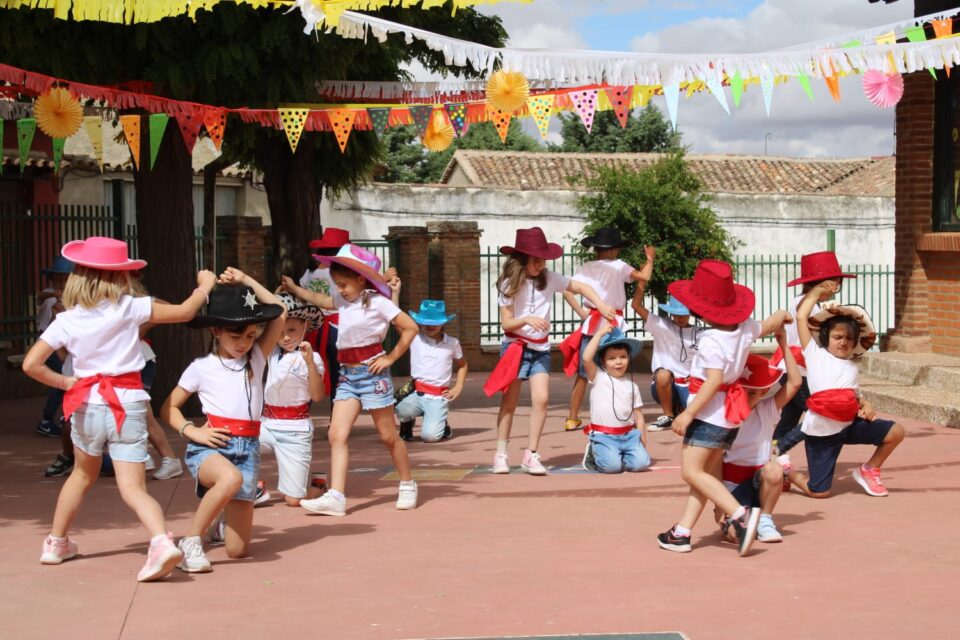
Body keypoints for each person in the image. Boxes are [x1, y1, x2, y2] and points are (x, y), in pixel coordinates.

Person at [22, 236, 216, 581]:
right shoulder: (132, 307)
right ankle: (159, 541)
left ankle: (56, 543)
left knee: (82, 475)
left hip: (87, 407)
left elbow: (31, 365)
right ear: (122, 277)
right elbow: (186, 312)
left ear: (79, 276)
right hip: (127, 405)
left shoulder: (67, 320)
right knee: (133, 488)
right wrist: (205, 286)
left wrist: (65, 383)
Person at [655, 259, 790, 556]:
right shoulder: (743, 330)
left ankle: (740, 515)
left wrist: (688, 413)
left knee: (691, 472)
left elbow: (714, 380)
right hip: (729, 419)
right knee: (704, 476)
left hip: (708, 415)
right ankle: (682, 532)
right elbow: (768, 324)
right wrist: (782, 315)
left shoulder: (711, 340)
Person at [161, 269, 286, 572]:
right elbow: (168, 409)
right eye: (236, 334)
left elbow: (281, 312)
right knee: (230, 479)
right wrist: (192, 432)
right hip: (212, 447)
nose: (245, 342)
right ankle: (190, 542)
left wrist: (246, 280)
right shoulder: (201, 366)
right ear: (215, 330)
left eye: (251, 334)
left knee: (237, 550)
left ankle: (218, 520)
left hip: (249, 450)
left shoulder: (256, 357)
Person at [281, 244, 419, 517]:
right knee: (336, 434)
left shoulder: (379, 302)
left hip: (373, 374)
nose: (340, 290)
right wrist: (294, 288)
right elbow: (319, 300)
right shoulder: (344, 301)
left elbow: (410, 328)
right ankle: (337, 497)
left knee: (388, 436)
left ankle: (407, 483)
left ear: (360, 278)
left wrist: (390, 358)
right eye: (337, 284)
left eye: (343, 284)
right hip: (347, 375)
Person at [483, 227, 615, 475]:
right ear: (521, 258)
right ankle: (501, 453)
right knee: (509, 402)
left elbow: (582, 288)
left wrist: (600, 304)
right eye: (536, 259)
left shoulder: (550, 278)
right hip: (515, 347)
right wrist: (527, 320)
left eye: (543, 259)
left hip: (540, 349)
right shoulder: (509, 284)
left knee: (541, 400)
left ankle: (531, 455)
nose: (540, 264)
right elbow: (506, 323)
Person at [787, 282, 905, 499]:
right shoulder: (815, 354)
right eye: (837, 337)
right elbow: (802, 317)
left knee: (896, 431)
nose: (843, 342)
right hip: (822, 433)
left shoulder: (851, 366)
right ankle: (788, 474)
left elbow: (854, 397)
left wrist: (866, 405)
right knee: (819, 491)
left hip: (849, 425)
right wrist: (816, 292)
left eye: (849, 339)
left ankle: (869, 470)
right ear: (825, 337)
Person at [559, 227, 649, 432]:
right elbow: (643, 276)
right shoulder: (620, 266)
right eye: (616, 248)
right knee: (617, 369)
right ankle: (620, 415)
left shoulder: (586, 267)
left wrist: (583, 314)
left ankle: (572, 417)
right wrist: (649, 260)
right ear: (611, 250)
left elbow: (567, 290)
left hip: (592, 322)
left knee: (584, 372)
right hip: (613, 323)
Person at [771, 251, 855, 454]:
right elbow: (806, 321)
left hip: (796, 368)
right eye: (834, 281)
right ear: (822, 283)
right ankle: (775, 451)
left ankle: (768, 456)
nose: (836, 286)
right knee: (821, 415)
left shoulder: (808, 302)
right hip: (803, 370)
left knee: (788, 420)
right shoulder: (806, 303)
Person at [719, 341, 801, 545]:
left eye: (754, 392)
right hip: (731, 485)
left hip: (760, 479)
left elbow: (795, 383)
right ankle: (742, 519)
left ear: (763, 393)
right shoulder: (722, 413)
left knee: (774, 468)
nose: (748, 397)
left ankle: (765, 519)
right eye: (743, 391)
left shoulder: (767, 409)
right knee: (735, 537)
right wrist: (718, 504)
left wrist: (783, 344)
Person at [258, 291, 326, 508]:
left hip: (295, 429)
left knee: (294, 500)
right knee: (235, 443)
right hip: (266, 424)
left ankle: (318, 483)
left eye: (292, 330)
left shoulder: (312, 357)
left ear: (305, 327)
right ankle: (251, 486)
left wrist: (309, 364)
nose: (286, 337)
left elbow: (317, 395)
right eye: (280, 331)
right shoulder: (271, 351)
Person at [629, 247, 698, 432]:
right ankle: (667, 415)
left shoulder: (701, 333)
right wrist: (643, 278)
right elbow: (635, 305)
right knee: (662, 374)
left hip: (691, 385)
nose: (680, 317)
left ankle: (681, 410)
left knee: (692, 418)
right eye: (676, 314)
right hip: (664, 384)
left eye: (683, 314)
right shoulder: (662, 325)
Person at [580, 323, 649, 474]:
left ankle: (620, 454)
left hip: (629, 436)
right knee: (612, 468)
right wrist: (598, 334)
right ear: (603, 362)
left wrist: (643, 445)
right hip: (605, 436)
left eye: (623, 357)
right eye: (612, 358)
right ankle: (594, 451)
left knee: (641, 464)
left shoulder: (633, 386)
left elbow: (639, 418)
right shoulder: (598, 376)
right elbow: (586, 358)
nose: (618, 362)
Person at [396, 300, 468, 443]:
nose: (430, 326)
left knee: (429, 437)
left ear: (443, 323)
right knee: (399, 407)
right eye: (426, 321)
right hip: (416, 391)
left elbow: (462, 365)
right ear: (420, 322)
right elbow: (395, 319)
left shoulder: (452, 343)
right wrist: (396, 294)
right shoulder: (414, 338)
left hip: (438, 395)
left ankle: (442, 423)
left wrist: (458, 387)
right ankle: (407, 423)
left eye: (435, 322)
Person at [302, 227, 350, 402]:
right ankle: (336, 411)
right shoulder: (338, 272)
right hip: (335, 325)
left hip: (313, 325)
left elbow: (303, 289)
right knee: (338, 372)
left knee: (310, 367)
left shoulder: (311, 270)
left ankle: (304, 408)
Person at [35, 255, 73, 440]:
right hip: (47, 344)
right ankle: (47, 420)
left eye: (65, 278)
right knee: (62, 380)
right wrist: (55, 295)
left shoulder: (71, 298)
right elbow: (40, 297)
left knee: (63, 380)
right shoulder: (49, 294)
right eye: (58, 277)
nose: (62, 281)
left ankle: (59, 419)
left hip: (61, 344)